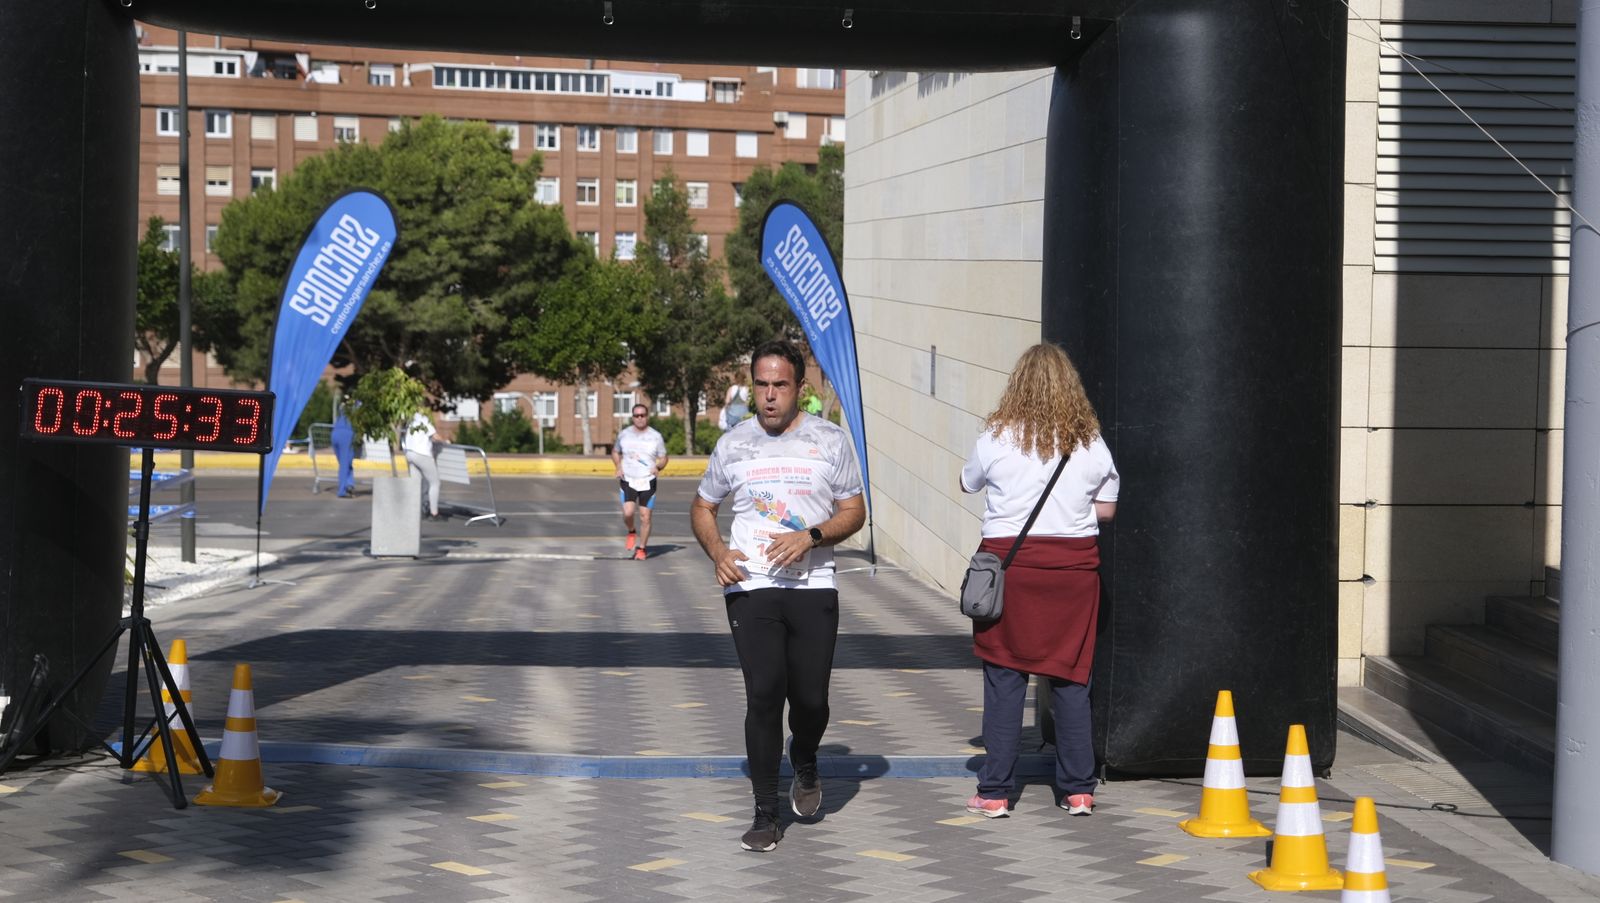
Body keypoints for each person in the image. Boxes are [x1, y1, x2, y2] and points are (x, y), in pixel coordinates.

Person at [691, 339, 866, 852]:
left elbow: (854, 512)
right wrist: (718, 552)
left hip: (813, 584)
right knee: (765, 692)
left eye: (780, 385)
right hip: (752, 586)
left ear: (799, 388)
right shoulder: (734, 444)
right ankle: (765, 813)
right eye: (761, 385)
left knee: (811, 699)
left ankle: (804, 757)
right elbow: (703, 508)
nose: (769, 396)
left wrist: (811, 536)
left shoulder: (829, 440)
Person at [959, 343, 1118, 820]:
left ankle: (995, 792)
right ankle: (1078, 790)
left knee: (1005, 679)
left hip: (1011, 573)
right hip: (1073, 576)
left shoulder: (995, 438)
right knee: (1071, 679)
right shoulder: (1091, 443)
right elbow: (1106, 510)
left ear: (1017, 385)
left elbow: (967, 483)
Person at [612, 403, 669, 560]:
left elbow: (664, 457)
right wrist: (618, 466)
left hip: (647, 480)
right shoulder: (624, 434)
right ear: (632, 417)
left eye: (642, 415)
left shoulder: (655, 436)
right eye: (636, 415)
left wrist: (658, 466)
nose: (640, 418)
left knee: (645, 516)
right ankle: (631, 531)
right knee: (628, 512)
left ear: (647, 416)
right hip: (628, 478)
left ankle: (641, 548)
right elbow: (615, 452)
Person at [402, 410, 443, 521]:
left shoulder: (411, 421)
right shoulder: (424, 421)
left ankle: (416, 511)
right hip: (422, 454)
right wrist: (446, 441)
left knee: (416, 484)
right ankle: (434, 513)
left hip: (410, 453)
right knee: (435, 483)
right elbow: (435, 436)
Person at [331, 399, 356, 498]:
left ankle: (349, 484)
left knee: (344, 463)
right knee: (345, 464)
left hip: (335, 432)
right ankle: (343, 490)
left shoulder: (343, 406)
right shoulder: (357, 406)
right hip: (347, 434)